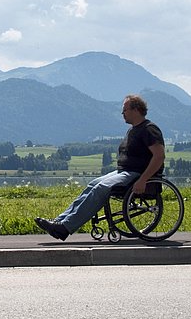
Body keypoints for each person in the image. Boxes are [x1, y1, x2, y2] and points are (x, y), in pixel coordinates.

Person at [35, 94, 165, 241]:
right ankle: (59, 221)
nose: (122, 113)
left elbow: (159, 156)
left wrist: (143, 179)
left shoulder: (149, 129)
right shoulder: (133, 129)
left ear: (136, 110)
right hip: (124, 171)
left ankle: (65, 227)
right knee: (92, 184)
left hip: (137, 173)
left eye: (125, 110)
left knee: (101, 188)